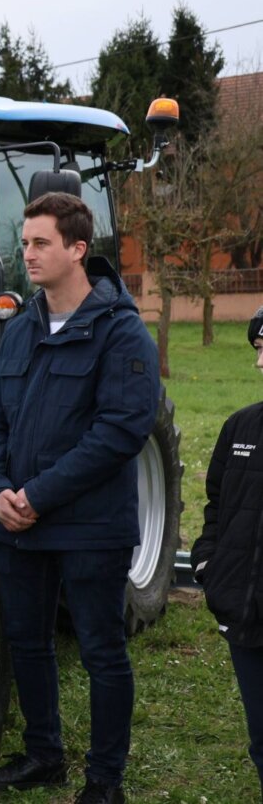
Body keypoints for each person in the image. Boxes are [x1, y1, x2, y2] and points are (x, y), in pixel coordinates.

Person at [0, 192, 159, 804]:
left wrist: (37, 494)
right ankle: (43, 756)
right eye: (24, 242)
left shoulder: (121, 332)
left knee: (102, 650)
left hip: (89, 526)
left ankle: (105, 781)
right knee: (27, 642)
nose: (27, 254)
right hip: (17, 522)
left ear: (78, 249)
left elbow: (120, 432)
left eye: (41, 243)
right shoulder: (21, 329)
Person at [191, 305, 263, 800]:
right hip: (244, 616)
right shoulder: (239, 429)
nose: (259, 363)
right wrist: (208, 565)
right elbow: (216, 506)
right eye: (258, 350)